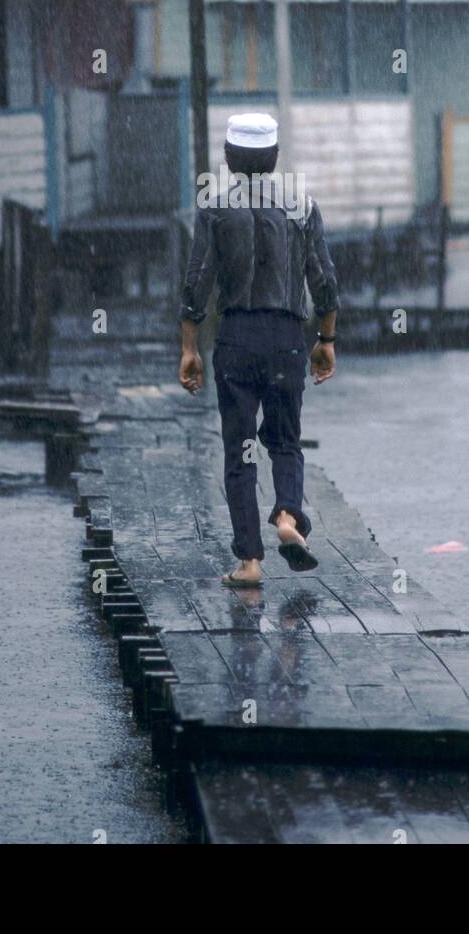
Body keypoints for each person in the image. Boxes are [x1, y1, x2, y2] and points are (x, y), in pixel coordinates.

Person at [178, 112, 339, 586]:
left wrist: (190, 349)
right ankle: (287, 516)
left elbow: (196, 285)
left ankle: (249, 562)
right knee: (286, 441)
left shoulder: (213, 207)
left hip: (235, 341)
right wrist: (325, 340)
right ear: (273, 159)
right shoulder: (302, 207)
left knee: (240, 450)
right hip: (288, 340)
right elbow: (325, 285)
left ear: (227, 158)